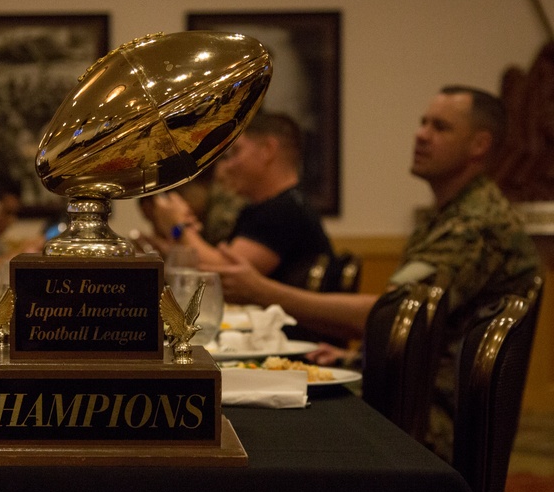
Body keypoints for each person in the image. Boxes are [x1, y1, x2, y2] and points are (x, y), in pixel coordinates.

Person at [217, 86, 541, 461]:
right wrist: (352, 357)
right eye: (423, 123)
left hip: (432, 414)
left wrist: (264, 291)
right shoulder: (447, 215)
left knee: (267, 430)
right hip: (409, 391)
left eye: (440, 127)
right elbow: (403, 316)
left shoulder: (475, 223)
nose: (421, 134)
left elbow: (395, 316)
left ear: (479, 145)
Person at [147, 111, 332, 289]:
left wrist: (179, 224)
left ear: (268, 150)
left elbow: (224, 274)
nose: (226, 166)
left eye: (235, 152)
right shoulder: (268, 208)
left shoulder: (285, 210)